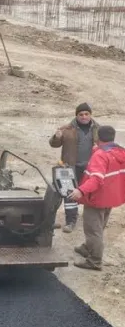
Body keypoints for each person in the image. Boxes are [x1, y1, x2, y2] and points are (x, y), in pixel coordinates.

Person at [68, 126, 125, 271]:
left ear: (98, 137)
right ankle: (87, 247)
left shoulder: (100, 155)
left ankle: (95, 261)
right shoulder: (119, 151)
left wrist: (80, 191)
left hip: (97, 199)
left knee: (94, 230)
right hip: (111, 197)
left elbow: (97, 180)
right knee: (100, 225)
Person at [49, 103, 100, 232]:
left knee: (91, 193)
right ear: (76, 115)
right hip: (69, 167)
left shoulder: (98, 129)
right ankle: (71, 221)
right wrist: (57, 137)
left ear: (90, 114)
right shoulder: (67, 129)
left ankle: (94, 221)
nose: (84, 117)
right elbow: (53, 144)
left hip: (90, 168)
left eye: (86, 114)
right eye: (81, 114)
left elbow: (107, 145)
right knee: (69, 194)